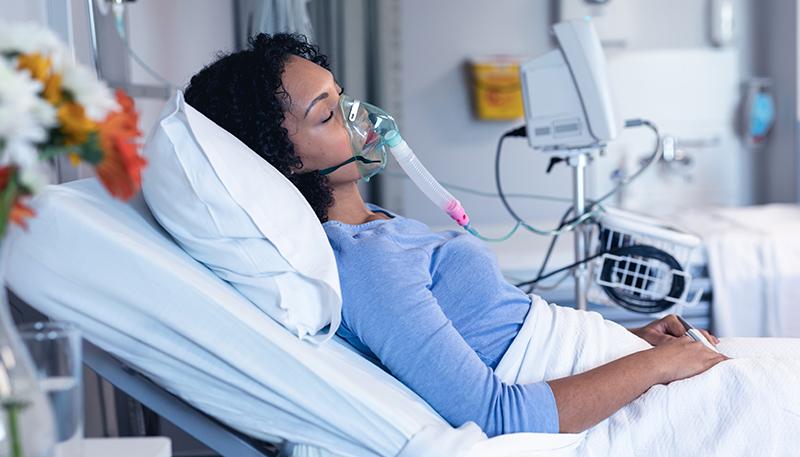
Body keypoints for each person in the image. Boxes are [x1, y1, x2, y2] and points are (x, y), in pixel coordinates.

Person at [183, 33, 727, 437]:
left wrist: (632, 340)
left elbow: (501, 326)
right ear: (283, 160)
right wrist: (659, 365)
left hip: (607, 363)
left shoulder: (376, 223)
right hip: (610, 402)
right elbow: (499, 416)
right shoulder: (364, 266)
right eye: (328, 115)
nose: (358, 115)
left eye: (341, 94)